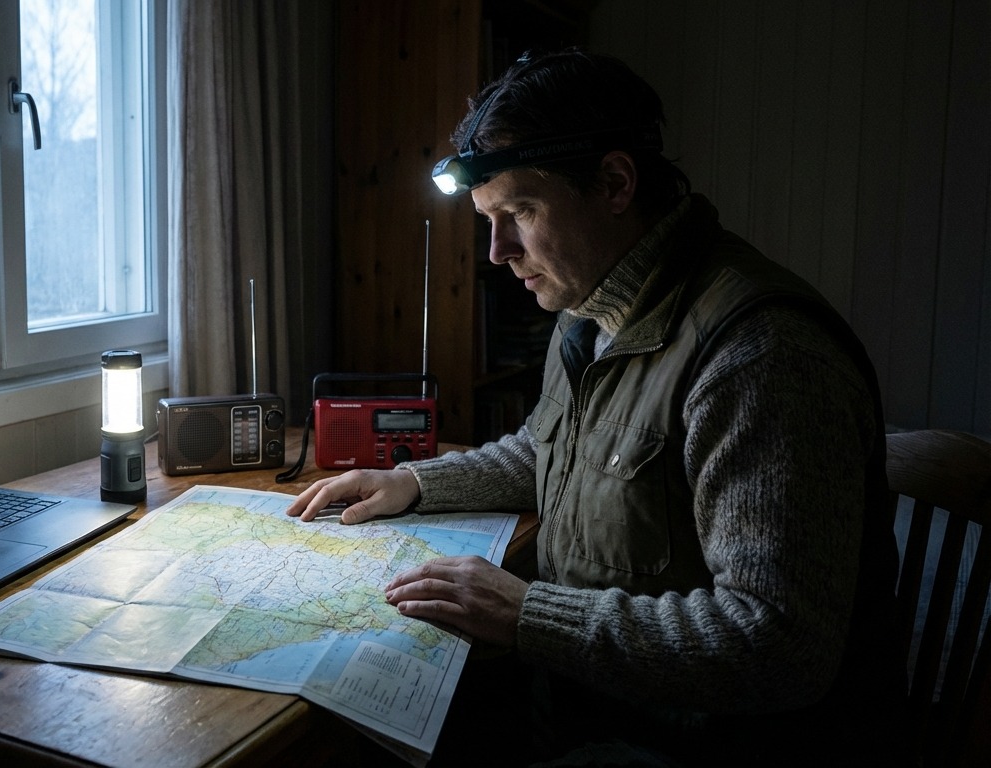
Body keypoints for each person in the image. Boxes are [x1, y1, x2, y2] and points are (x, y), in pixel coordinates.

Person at [287, 49, 908, 766]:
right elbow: (548, 449)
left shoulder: (761, 357)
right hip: (589, 703)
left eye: (518, 211)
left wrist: (527, 615)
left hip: (704, 745)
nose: (496, 252)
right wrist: (417, 483)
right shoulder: (590, 309)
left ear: (614, 183)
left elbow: (774, 642)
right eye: (489, 219)